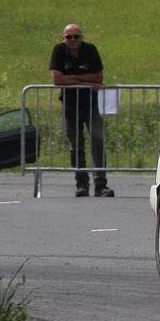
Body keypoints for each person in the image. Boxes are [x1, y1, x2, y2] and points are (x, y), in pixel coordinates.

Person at [48, 24, 114, 197]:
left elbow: (98, 77)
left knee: (97, 142)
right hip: (70, 104)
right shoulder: (58, 51)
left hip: (92, 103)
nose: (73, 40)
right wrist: (86, 82)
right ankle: (81, 184)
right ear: (63, 38)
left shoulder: (90, 50)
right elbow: (57, 79)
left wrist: (70, 78)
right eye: (69, 37)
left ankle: (101, 184)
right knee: (76, 145)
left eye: (76, 36)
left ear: (82, 37)